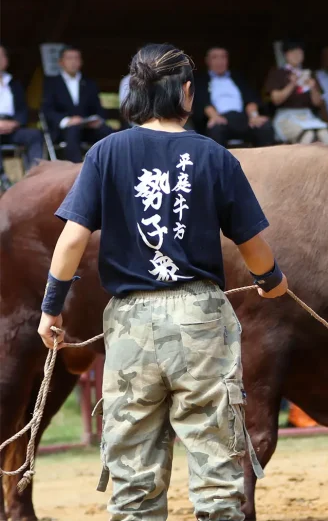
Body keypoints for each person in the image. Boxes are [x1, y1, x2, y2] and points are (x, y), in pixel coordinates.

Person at [36, 43, 288, 521]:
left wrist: (51, 308)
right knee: (216, 467)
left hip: (130, 323)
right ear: (187, 92)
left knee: (132, 477)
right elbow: (254, 249)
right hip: (200, 318)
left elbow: (70, 242)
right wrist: (271, 280)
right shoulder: (214, 156)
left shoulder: (105, 153)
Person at [41, 46, 114, 162]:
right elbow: (47, 110)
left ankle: (112, 167)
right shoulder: (52, 83)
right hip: (64, 130)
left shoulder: (90, 83)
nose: (73, 62)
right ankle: (76, 173)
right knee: (73, 130)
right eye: (69, 58)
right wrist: (67, 121)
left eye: (76, 58)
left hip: (87, 128)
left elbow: (98, 108)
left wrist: (97, 120)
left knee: (108, 131)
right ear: (61, 62)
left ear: (81, 62)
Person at [194, 46, 275, 148]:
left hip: (243, 118)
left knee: (264, 126)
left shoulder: (238, 78)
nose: (220, 61)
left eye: (223, 57)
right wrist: (214, 116)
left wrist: (254, 116)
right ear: (207, 61)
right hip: (220, 119)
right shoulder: (201, 80)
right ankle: (219, 164)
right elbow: (202, 101)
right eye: (215, 57)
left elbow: (250, 99)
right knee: (216, 129)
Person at [264, 40, 328, 144]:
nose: (296, 55)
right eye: (292, 52)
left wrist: (313, 87)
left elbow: (318, 102)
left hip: (307, 115)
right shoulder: (278, 73)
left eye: (299, 52)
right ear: (286, 55)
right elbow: (276, 100)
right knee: (308, 135)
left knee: (325, 135)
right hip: (286, 117)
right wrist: (292, 84)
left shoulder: (309, 74)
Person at [0, 43, 44, 175]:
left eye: (2, 56)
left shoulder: (14, 83)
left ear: (7, 60)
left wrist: (15, 123)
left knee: (35, 135)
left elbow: (22, 110)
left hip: (12, 127)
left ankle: (34, 175)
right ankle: (2, 179)